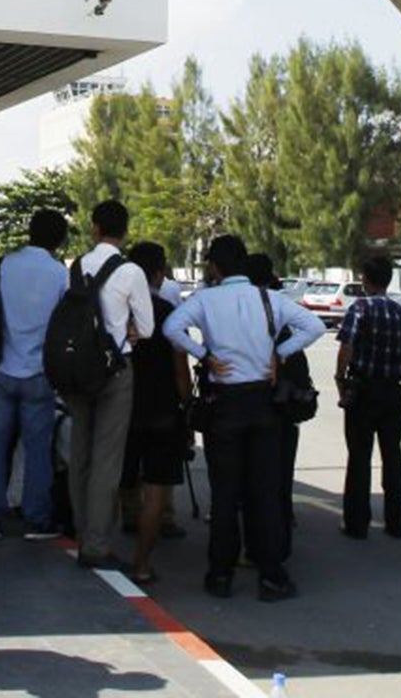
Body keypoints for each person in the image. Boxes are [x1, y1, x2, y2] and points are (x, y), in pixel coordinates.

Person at [165, 234, 322, 601]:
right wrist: (278, 354)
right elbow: (313, 327)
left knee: (225, 492)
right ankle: (271, 576)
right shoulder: (269, 298)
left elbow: (171, 329)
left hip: (225, 403)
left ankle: (221, 574)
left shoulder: (204, 299)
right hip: (264, 403)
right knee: (264, 492)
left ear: (214, 266)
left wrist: (204, 354)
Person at [61, 199, 155, 571]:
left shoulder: (78, 265)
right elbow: (147, 329)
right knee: (107, 460)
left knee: (79, 452)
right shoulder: (131, 271)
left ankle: (81, 531)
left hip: (77, 369)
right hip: (114, 369)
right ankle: (96, 545)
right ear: (125, 231)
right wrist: (127, 332)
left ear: (94, 228)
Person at [0, 207, 68, 541]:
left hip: (1, 368)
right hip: (39, 371)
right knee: (37, 449)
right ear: (60, 239)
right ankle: (36, 518)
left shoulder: (3, 264)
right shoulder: (59, 273)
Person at [121, 241, 191, 587]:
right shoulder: (170, 314)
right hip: (163, 410)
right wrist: (186, 402)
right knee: (156, 490)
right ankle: (142, 565)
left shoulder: (118, 311)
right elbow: (182, 372)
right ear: (161, 273)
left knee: (115, 481)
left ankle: (100, 549)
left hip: (121, 409)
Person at [335, 251, 401, 541]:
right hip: (393, 390)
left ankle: (357, 521)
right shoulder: (400, 313)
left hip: (364, 388)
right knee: (392, 454)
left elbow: (347, 347)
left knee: (359, 456)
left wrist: (340, 379)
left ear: (365, 280)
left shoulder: (359, 309)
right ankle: (396, 520)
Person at [243, 253, 309, 554]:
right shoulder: (279, 310)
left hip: (244, 402)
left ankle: (249, 544)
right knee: (278, 477)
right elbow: (312, 332)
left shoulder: (237, 309)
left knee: (247, 478)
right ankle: (277, 543)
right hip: (281, 405)